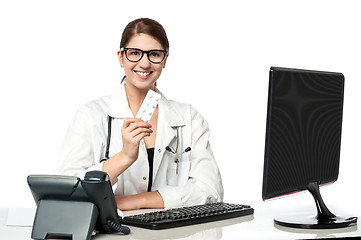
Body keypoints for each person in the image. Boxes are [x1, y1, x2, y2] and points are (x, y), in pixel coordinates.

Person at [57, 18, 224, 210]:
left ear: (165, 59)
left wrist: (137, 201)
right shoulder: (90, 115)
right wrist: (125, 157)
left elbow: (211, 191)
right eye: (135, 53)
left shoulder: (188, 118)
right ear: (121, 57)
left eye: (154, 54)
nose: (144, 64)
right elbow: (67, 190)